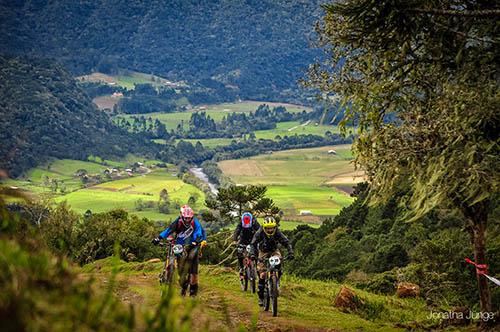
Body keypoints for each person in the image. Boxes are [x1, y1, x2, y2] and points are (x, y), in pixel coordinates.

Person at [152, 205, 207, 296]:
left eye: (189, 218)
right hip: (179, 246)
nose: (187, 220)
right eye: (185, 218)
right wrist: (158, 238)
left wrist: (197, 240)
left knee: (193, 269)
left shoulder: (195, 223)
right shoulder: (177, 222)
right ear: (181, 216)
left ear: (192, 217)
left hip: (193, 245)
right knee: (181, 270)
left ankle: (193, 292)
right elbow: (168, 230)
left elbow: (198, 232)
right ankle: (182, 283)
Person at [251, 216, 294, 306]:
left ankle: (276, 280)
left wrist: (290, 252)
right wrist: (253, 255)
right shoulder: (260, 232)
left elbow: (286, 242)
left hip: (274, 251)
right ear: (264, 228)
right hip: (263, 251)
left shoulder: (277, 232)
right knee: (262, 275)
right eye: (268, 228)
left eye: (272, 228)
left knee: (278, 263)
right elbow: (253, 244)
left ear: (275, 227)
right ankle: (261, 296)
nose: (270, 230)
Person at [233, 212, 260, 279]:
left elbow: (260, 231)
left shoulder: (255, 223)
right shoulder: (241, 223)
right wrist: (235, 240)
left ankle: (257, 267)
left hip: (253, 240)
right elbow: (237, 231)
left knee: (256, 253)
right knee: (239, 252)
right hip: (243, 240)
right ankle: (241, 268)